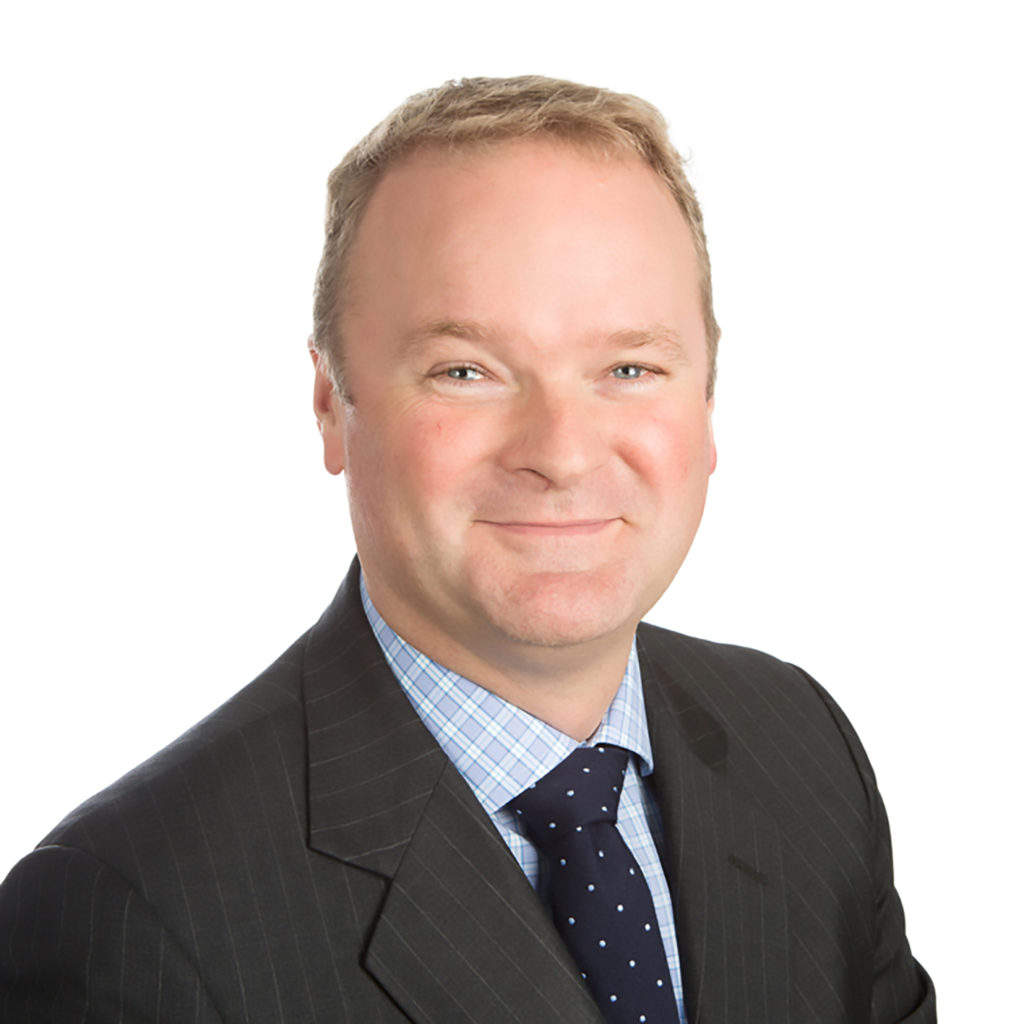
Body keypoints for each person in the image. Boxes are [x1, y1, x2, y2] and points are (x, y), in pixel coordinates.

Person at [0, 76, 935, 1023]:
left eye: (629, 367)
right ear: (330, 404)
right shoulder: (126, 917)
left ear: (707, 399)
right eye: (466, 371)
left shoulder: (801, 747)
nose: (562, 454)